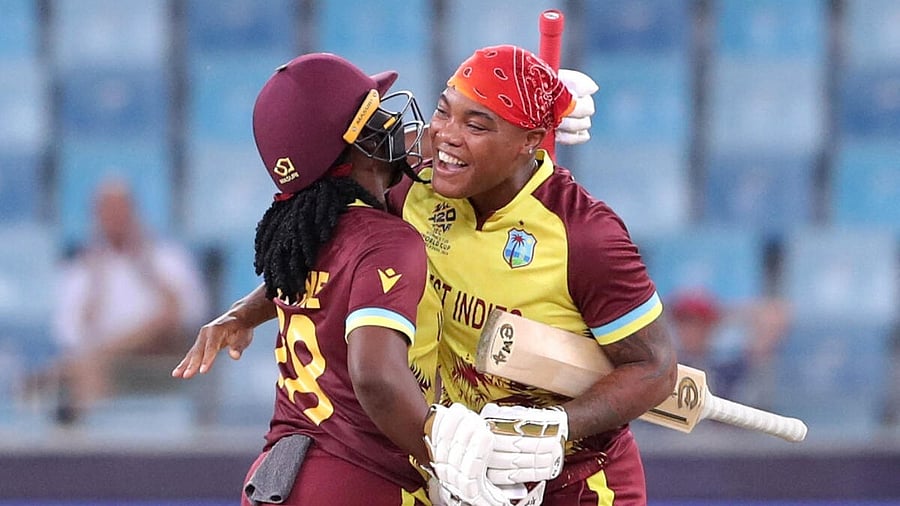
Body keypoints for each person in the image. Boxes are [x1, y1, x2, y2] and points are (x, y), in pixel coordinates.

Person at [176, 45, 676, 506]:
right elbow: (327, 243)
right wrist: (248, 309)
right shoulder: (412, 177)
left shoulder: (585, 236)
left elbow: (655, 368)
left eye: (476, 124)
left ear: (531, 141)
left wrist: (558, 427)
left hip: (572, 478)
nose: (442, 137)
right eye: (443, 110)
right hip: (460, 469)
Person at [174, 53, 506, 506]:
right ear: (359, 144)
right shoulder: (387, 240)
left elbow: (312, 275)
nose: (396, 124)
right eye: (379, 117)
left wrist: (532, 117)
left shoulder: (305, 232)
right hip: (362, 481)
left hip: (278, 479)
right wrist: (447, 461)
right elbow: (375, 376)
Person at [48, 178, 209, 422]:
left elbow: (190, 315)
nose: (115, 219)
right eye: (107, 211)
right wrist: (96, 285)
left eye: (120, 210)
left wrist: (147, 270)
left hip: (163, 362)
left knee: (158, 323)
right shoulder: (83, 270)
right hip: (106, 368)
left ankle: (52, 378)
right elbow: (70, 333)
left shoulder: (167, 258)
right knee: (90, 370)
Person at [668, 288, 790, 409]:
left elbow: (774, 320)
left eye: (699, 323)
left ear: (711, 326)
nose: (691, 330)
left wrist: (732, 315)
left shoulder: (726, 370)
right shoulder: (665, 368)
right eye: (684, 322)